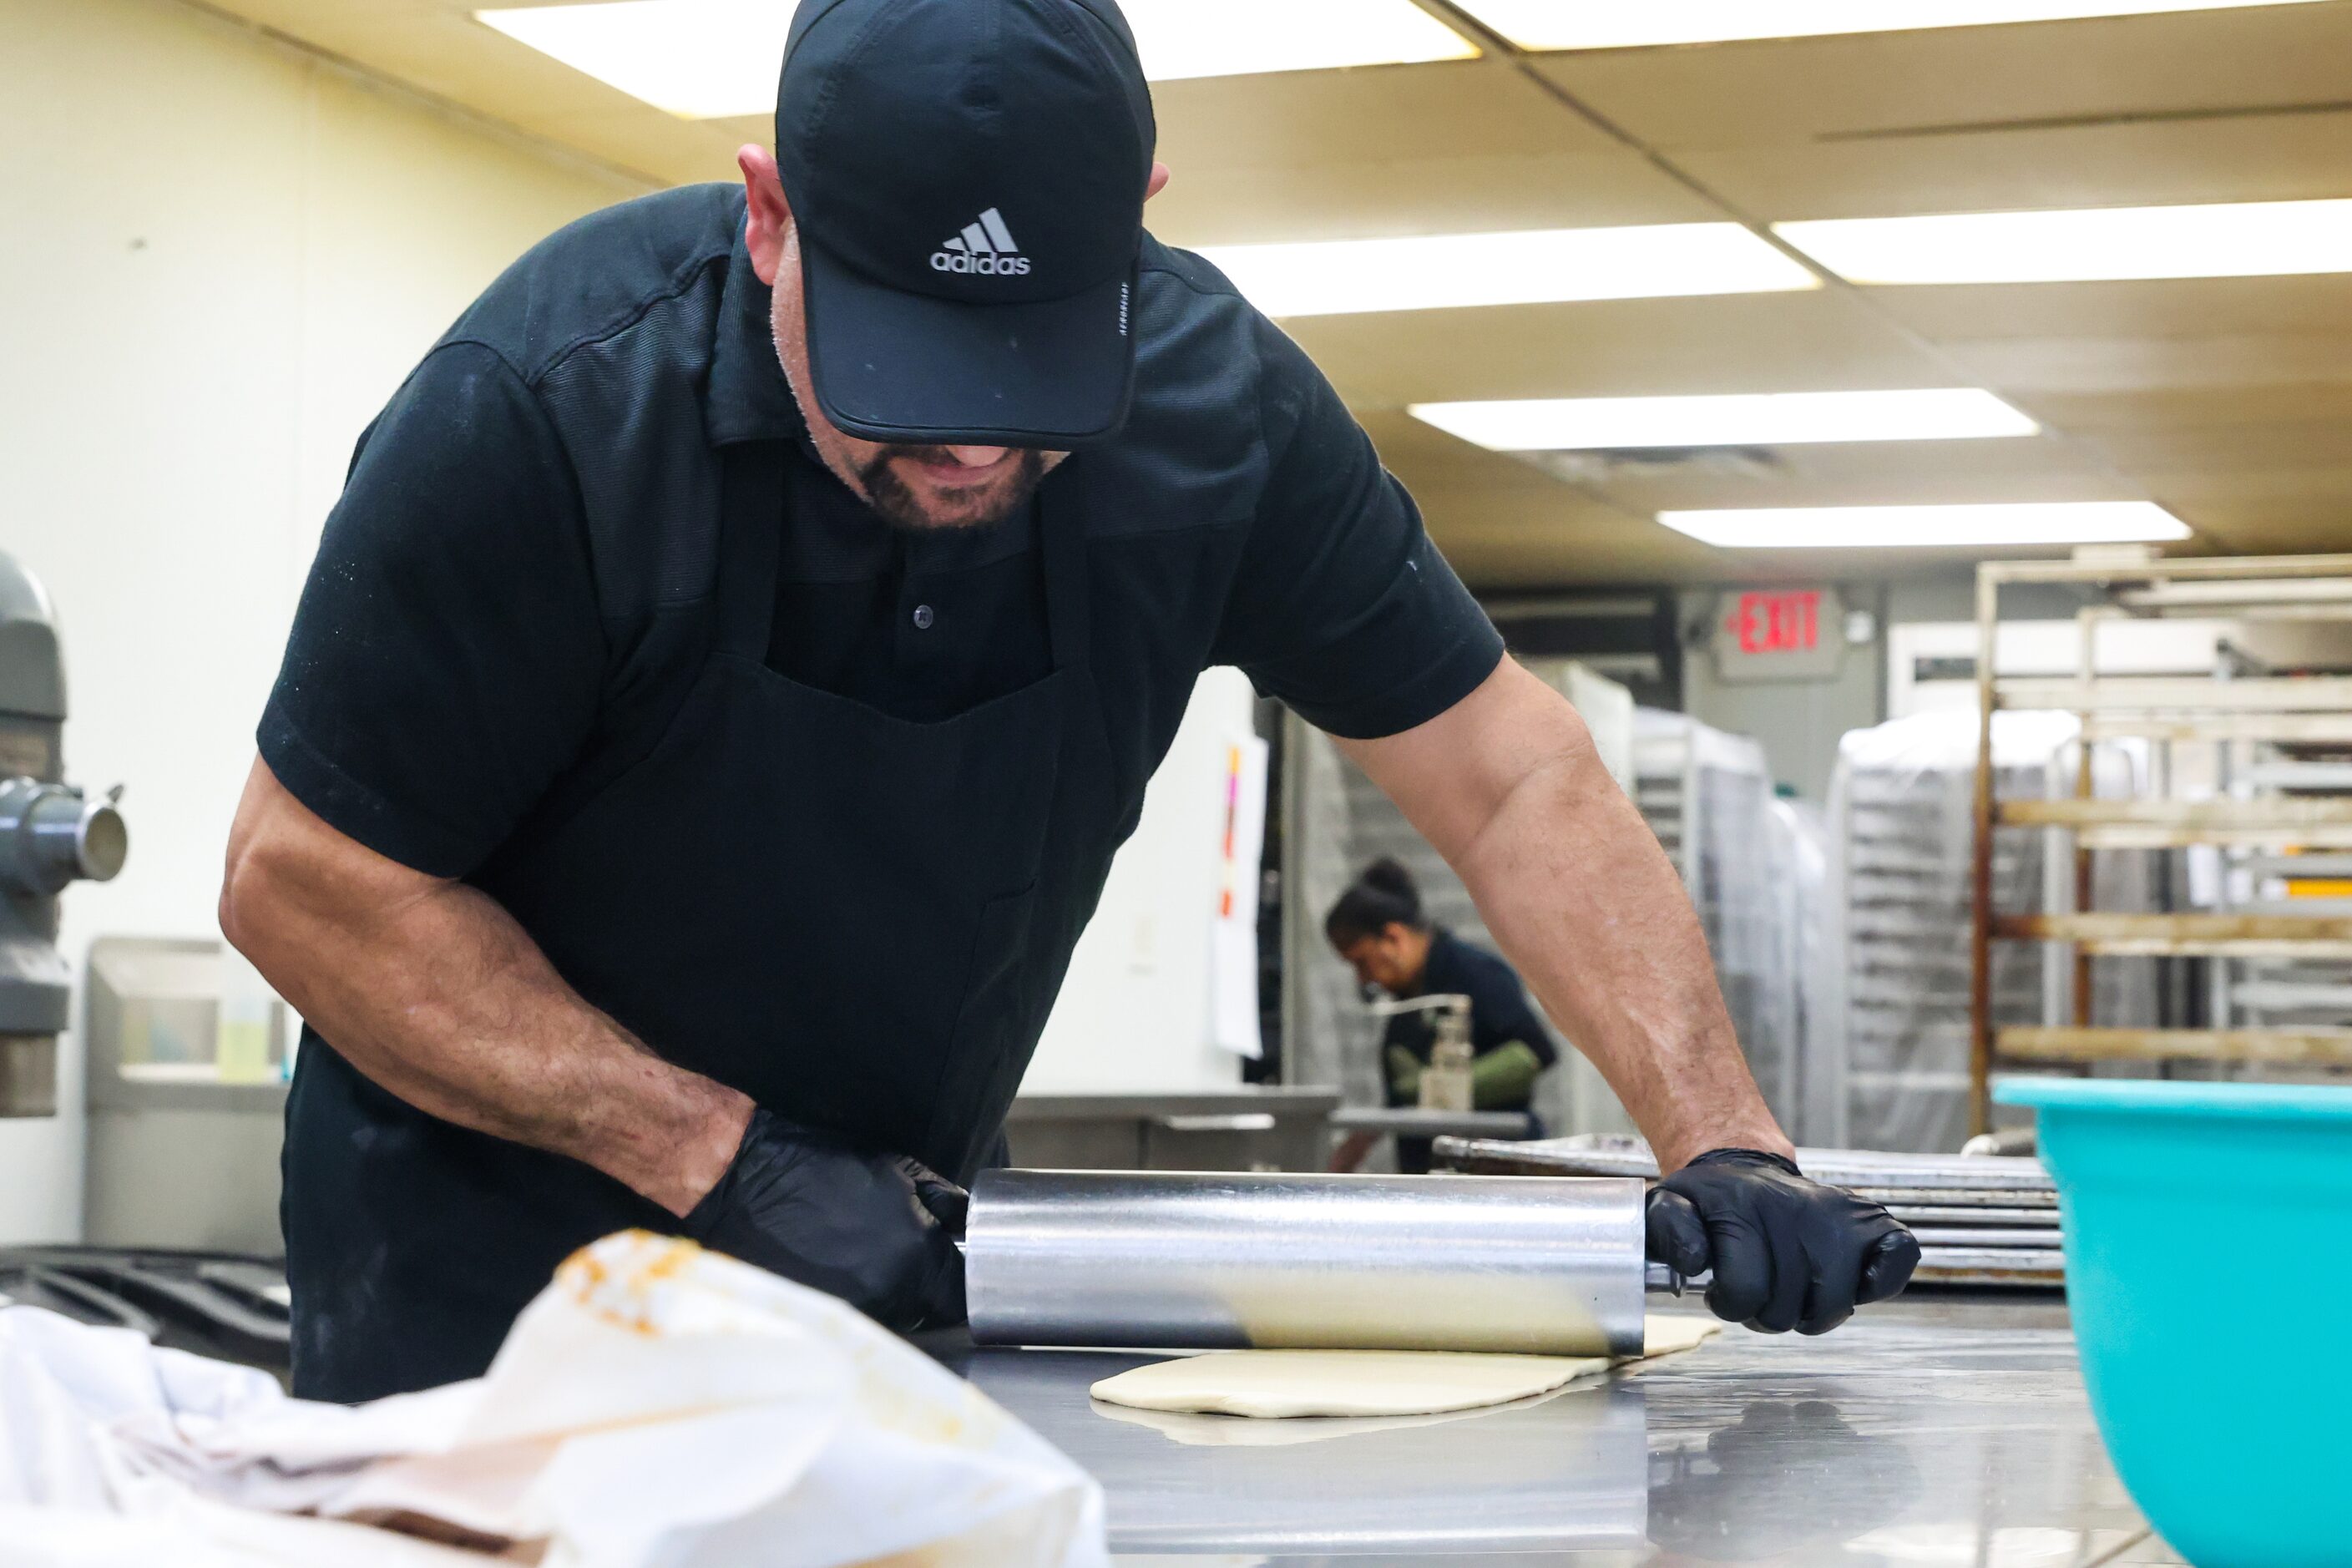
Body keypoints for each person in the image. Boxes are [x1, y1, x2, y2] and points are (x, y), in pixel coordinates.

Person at [218, 0, 1917, 1404]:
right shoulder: (548, 412)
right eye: (901, 377)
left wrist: (1725, 1142)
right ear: (766, 214)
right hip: (481, 1302)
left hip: (882, 1265)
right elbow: (303, 879)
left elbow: (1506, 772)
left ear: (1141, 214)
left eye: (1027, 378)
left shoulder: (1217, 410)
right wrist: (719, 1157)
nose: (966, 448)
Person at [1326, 859, 1556, 1172]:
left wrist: (1435, 1093)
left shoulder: (1476, 975)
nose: (1364, 979)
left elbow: (1536, 1052)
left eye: (1362, 962)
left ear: (1394, 938)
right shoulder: (1407, 1006)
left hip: (1493, 1172)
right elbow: (1401, 1100)